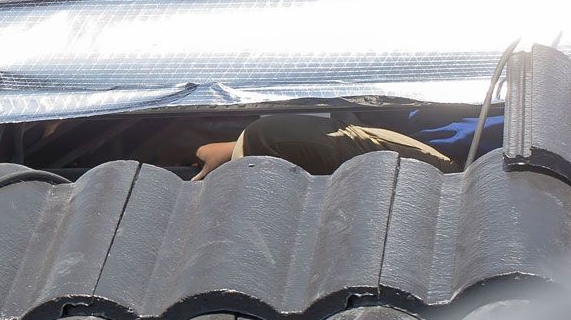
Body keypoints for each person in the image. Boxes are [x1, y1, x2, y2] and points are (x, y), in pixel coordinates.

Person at [193, 107, 506, 179]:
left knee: (272, 135)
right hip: (408, 125)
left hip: (464, 167)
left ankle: (230, 155)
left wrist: (240, 148)